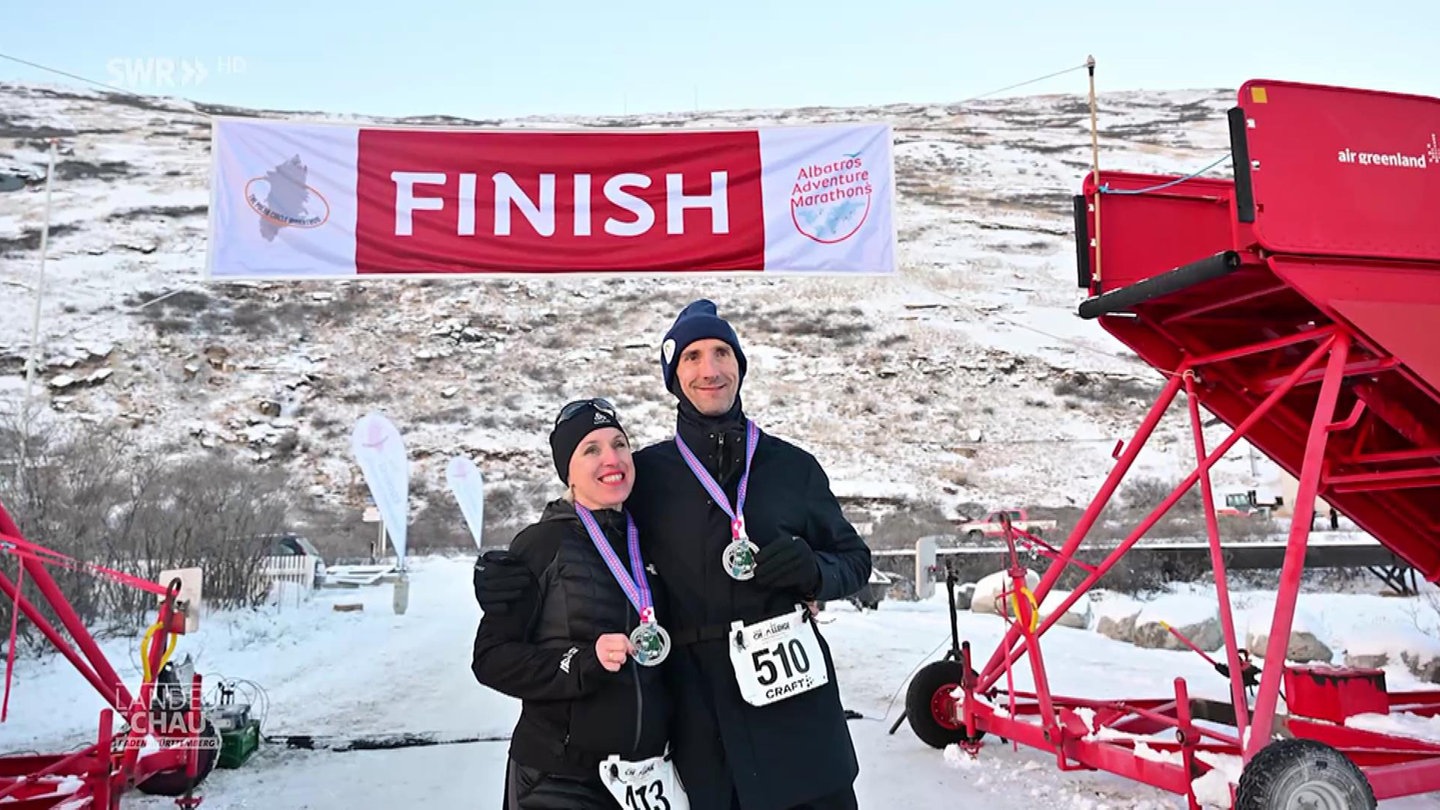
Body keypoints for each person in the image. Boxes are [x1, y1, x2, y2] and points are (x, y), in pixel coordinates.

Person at [625, 299, 873, 810]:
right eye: (691, 357)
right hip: (700, 708)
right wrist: (524, 569)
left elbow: (854, 560)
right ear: (673, 376)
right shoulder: (646, 477)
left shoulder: (792, 467)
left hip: (796, 704)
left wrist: (814, 573)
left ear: (740, 365)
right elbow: (590, 531)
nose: (709, 369)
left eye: (721, 353)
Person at [471, 399, 682, 810]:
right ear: (568, 469)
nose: (612, 458)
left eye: (619, 444)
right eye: (591, 449)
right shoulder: (543, 543)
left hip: (647, 778)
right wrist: (582, 662)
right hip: (560, 780)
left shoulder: (651, 541)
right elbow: (491, 659)